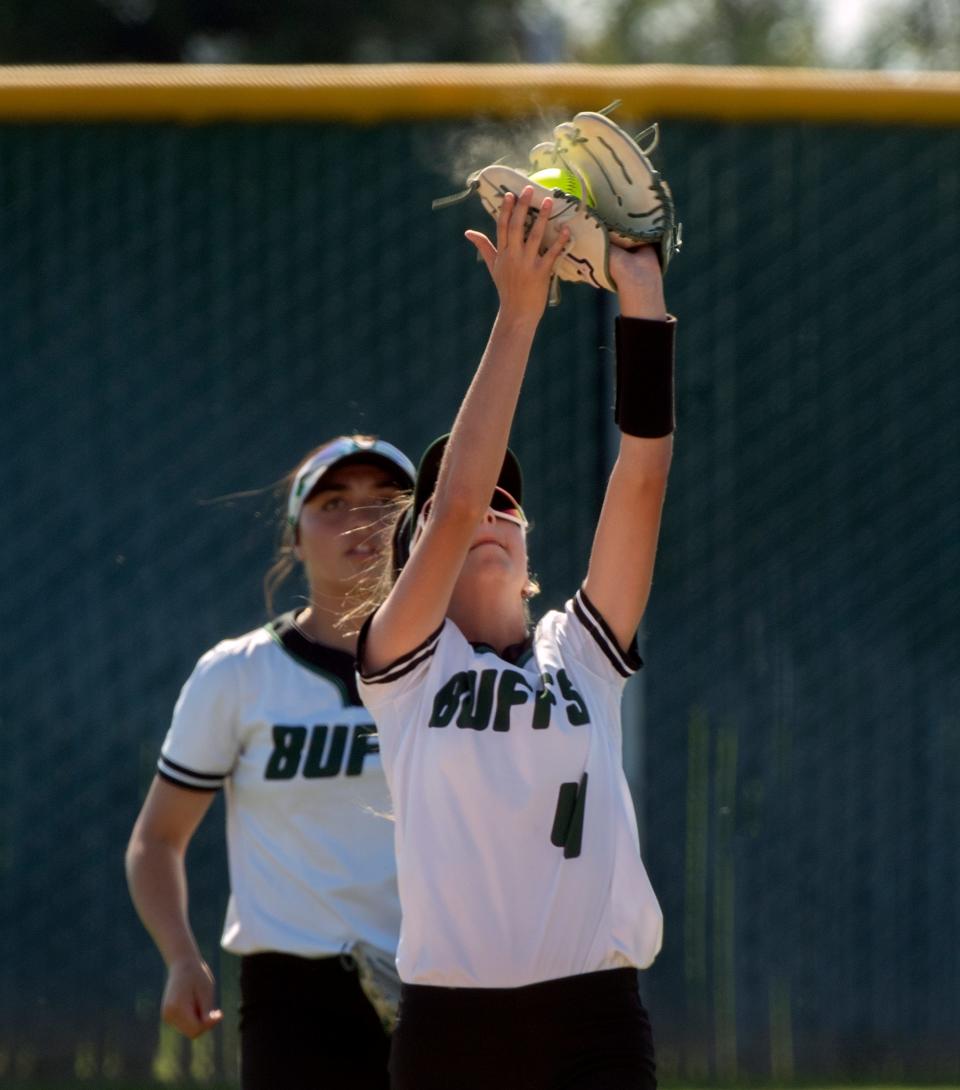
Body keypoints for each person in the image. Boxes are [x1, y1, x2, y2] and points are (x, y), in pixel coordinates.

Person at [356, 188, 675, 1090]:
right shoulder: (405, 672)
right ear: (416, 553)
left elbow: (643, 475)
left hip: (596, 1023)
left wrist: (641, 293)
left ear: (532, 555)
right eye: (456, 514)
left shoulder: (582, 654)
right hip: (456, 1037)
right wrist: (520, 314)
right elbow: (455, 501)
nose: (486, 511)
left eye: (510, 502)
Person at [125, 435, 415, 1090]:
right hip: (294, 996)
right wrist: (180, 957)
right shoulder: (239, 674)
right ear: (294, 538)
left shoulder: (456, 667)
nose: (362, 522)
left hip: (441, 980)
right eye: (334, 503)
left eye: (387, 502)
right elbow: (157, 840)